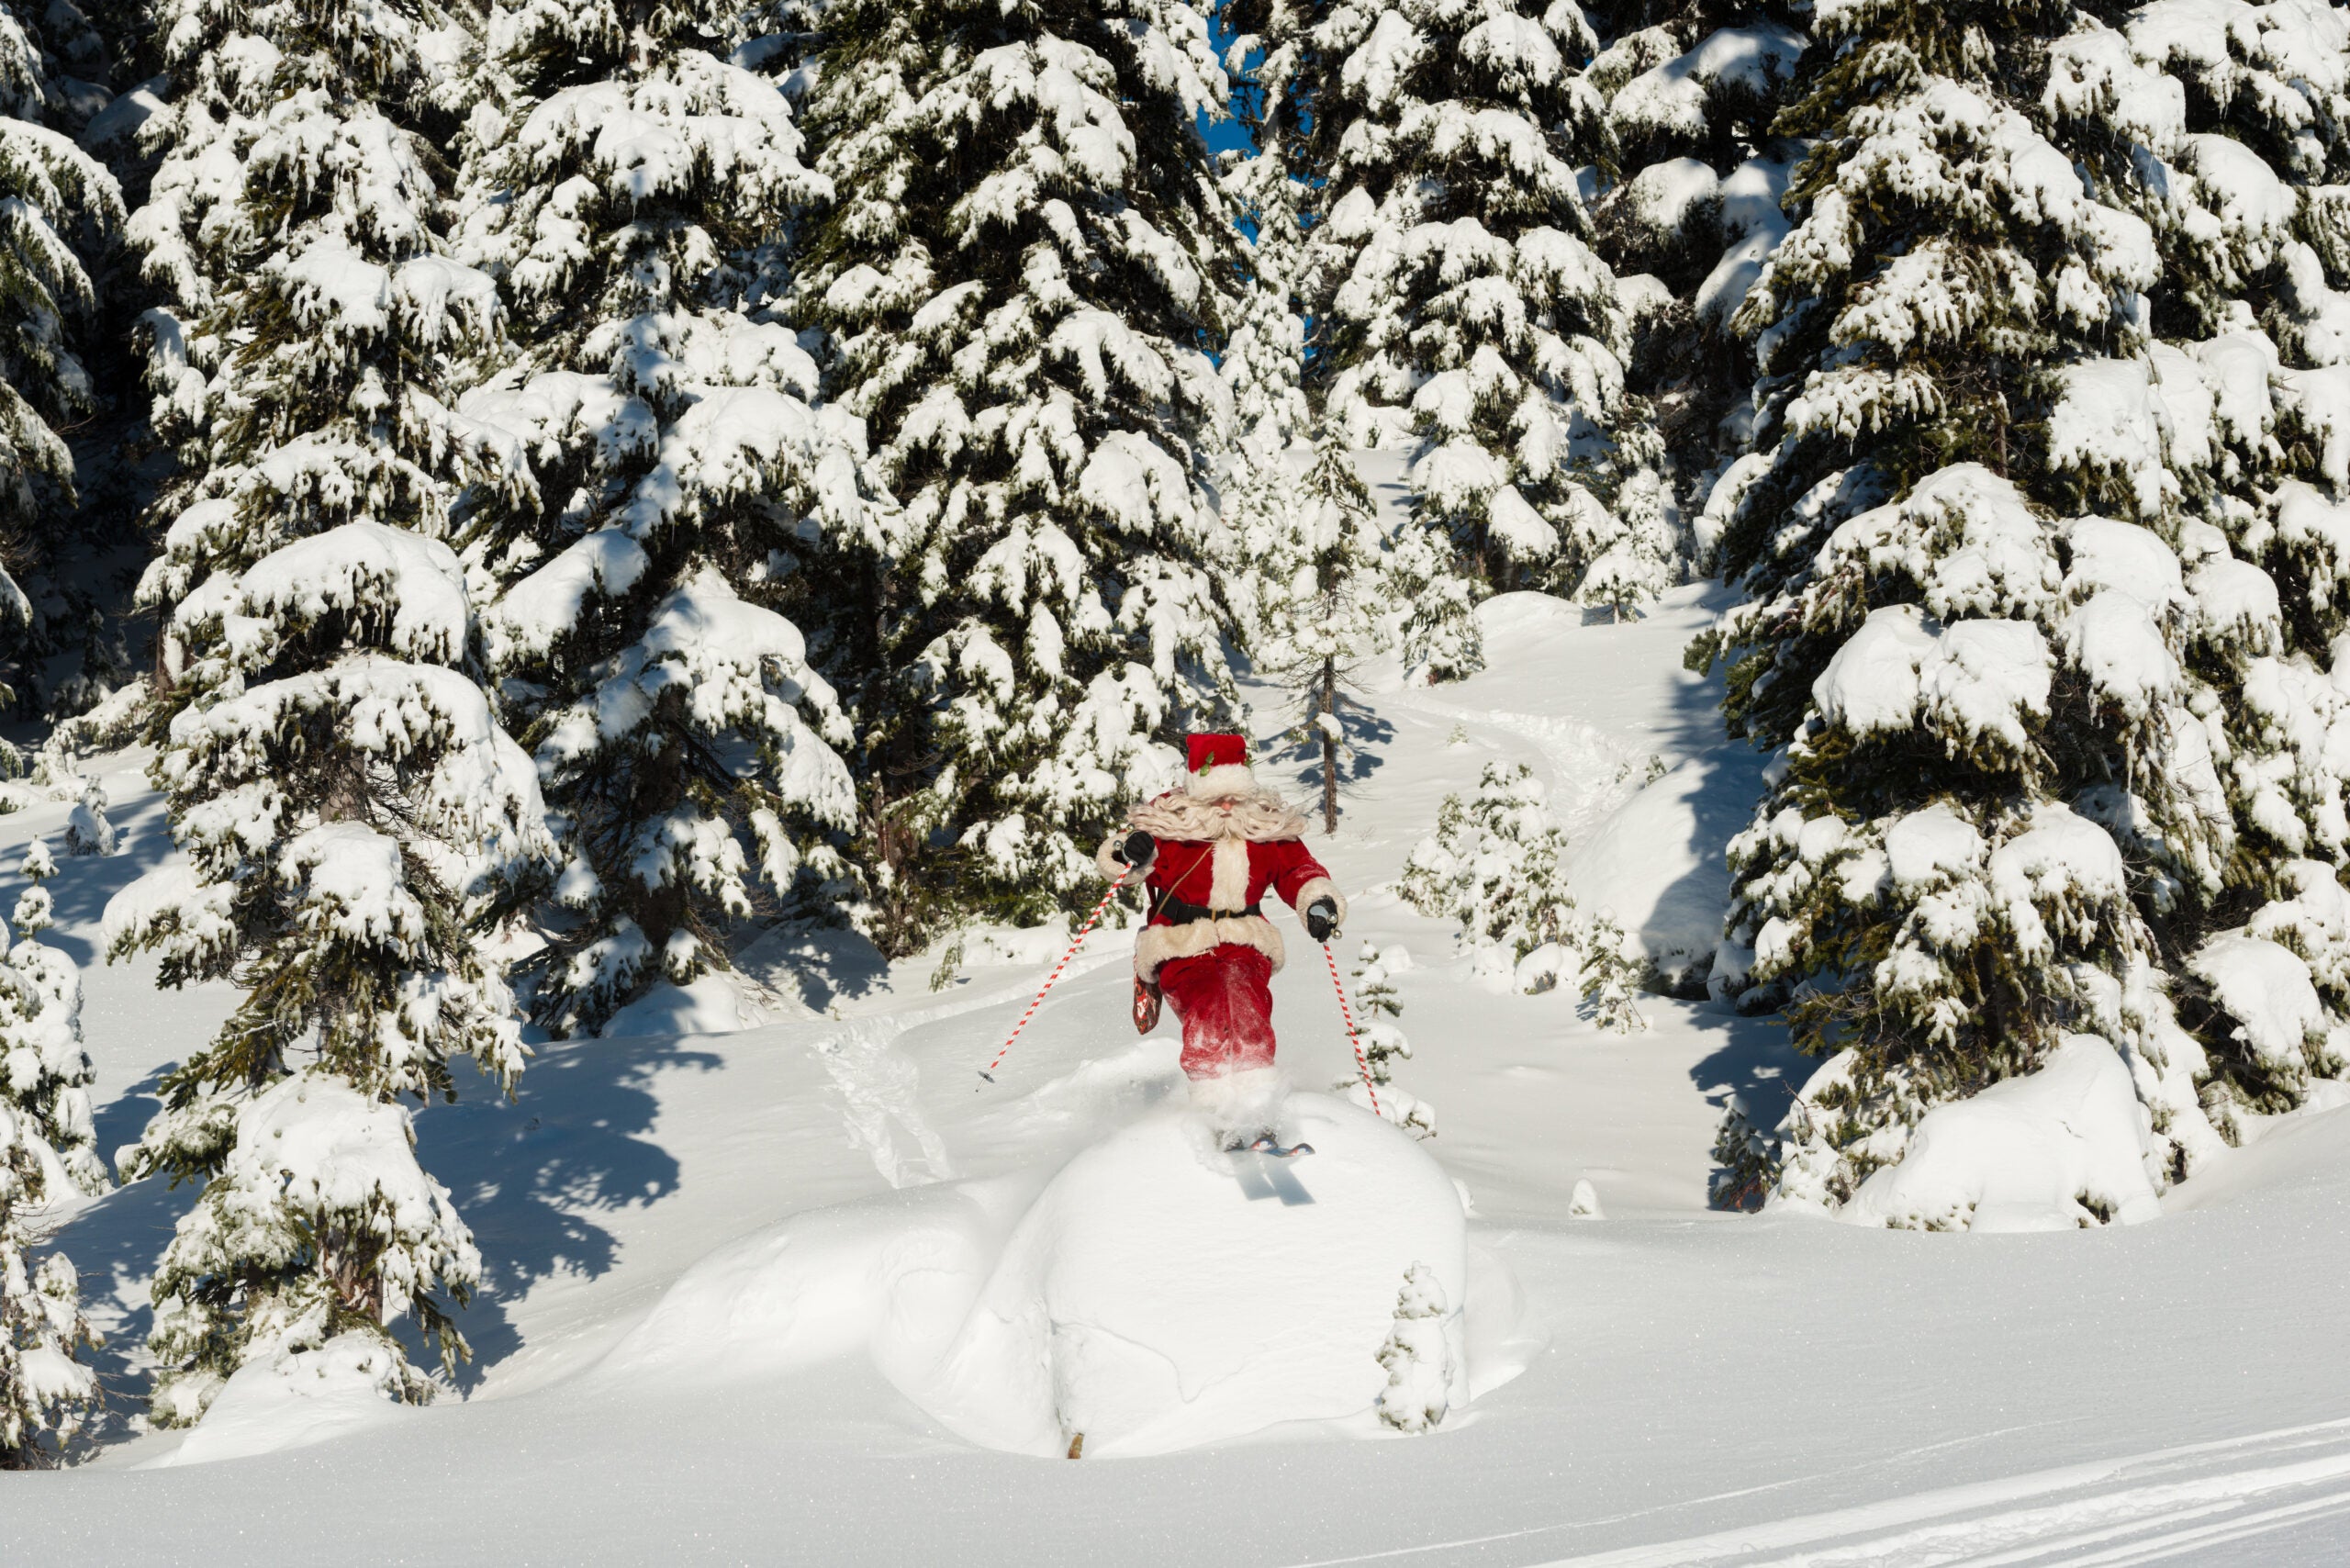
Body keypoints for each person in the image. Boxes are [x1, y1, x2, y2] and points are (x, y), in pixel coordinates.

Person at [1101, 734, 1347, 1149]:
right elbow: (1121, 862)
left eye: (1235, 795)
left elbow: (1298, 869)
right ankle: (1214, 1104)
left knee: (1243, 992)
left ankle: (1256, 1101)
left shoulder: (1263, 826)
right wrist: (1130, 852)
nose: (1228, 806)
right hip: (1180, 940)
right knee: (1209, 997)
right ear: (1198, 790)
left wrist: (1316, 900)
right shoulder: (1169, 823)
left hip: (1244, 938)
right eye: (1218, 797)